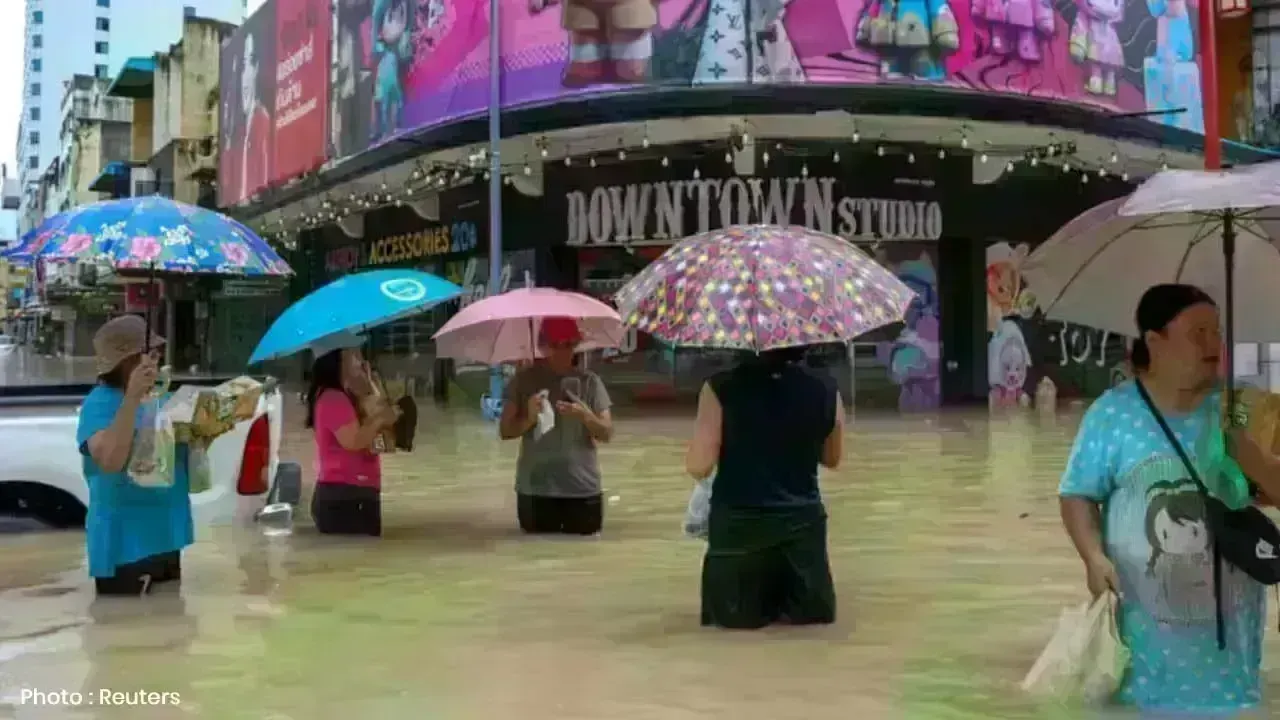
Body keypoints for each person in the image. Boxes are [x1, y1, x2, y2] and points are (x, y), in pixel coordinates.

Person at [1059, 283, 1280, 714]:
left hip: (1231, 641)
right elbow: (1077, 494)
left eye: (1217, 331)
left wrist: (1249, 456)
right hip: (1143, 639)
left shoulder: (1245, 409)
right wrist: (1092, 557)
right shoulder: (1112, 413)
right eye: (1198, 332)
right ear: (1155, 342)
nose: (1214, 343)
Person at [687, 346, 845, 629]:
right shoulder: (826, 388)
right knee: (805, 636)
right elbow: (831, 459)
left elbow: (699, 466)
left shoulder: (720, 387)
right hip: (802, 535)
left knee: (732, 639)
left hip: (738, 535)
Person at [77, 315, 192, 596]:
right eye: (148, 354)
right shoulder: (99, 403)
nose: (156, 360)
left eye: (156, 354)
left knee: (170, 625)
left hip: (166, 531)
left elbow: (172, 461)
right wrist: (131, 398)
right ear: (126, 362)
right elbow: (110, 461)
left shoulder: (161, 399)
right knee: (122, 631)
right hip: (124, 539)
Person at [499, 317, 613, 535]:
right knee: (536, 555)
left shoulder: (590, 381)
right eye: (555, 345)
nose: (562, 352)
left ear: (577, 344)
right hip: (536, 488)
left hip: (582, 487)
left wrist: (585, 416)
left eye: (568, 345)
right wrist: (530, 418)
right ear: (543, 345)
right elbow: (505, 432)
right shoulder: (523, 381)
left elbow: (607, 433)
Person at [305, 335, 399, 536]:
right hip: (345, 494)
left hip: (357, 493)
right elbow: (353, 441)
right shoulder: (332, 398)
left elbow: (381, 445)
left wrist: (373, 391)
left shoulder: (349, 397)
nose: (362, 362)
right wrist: (380, 418)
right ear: (337, 360)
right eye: (354, 356)